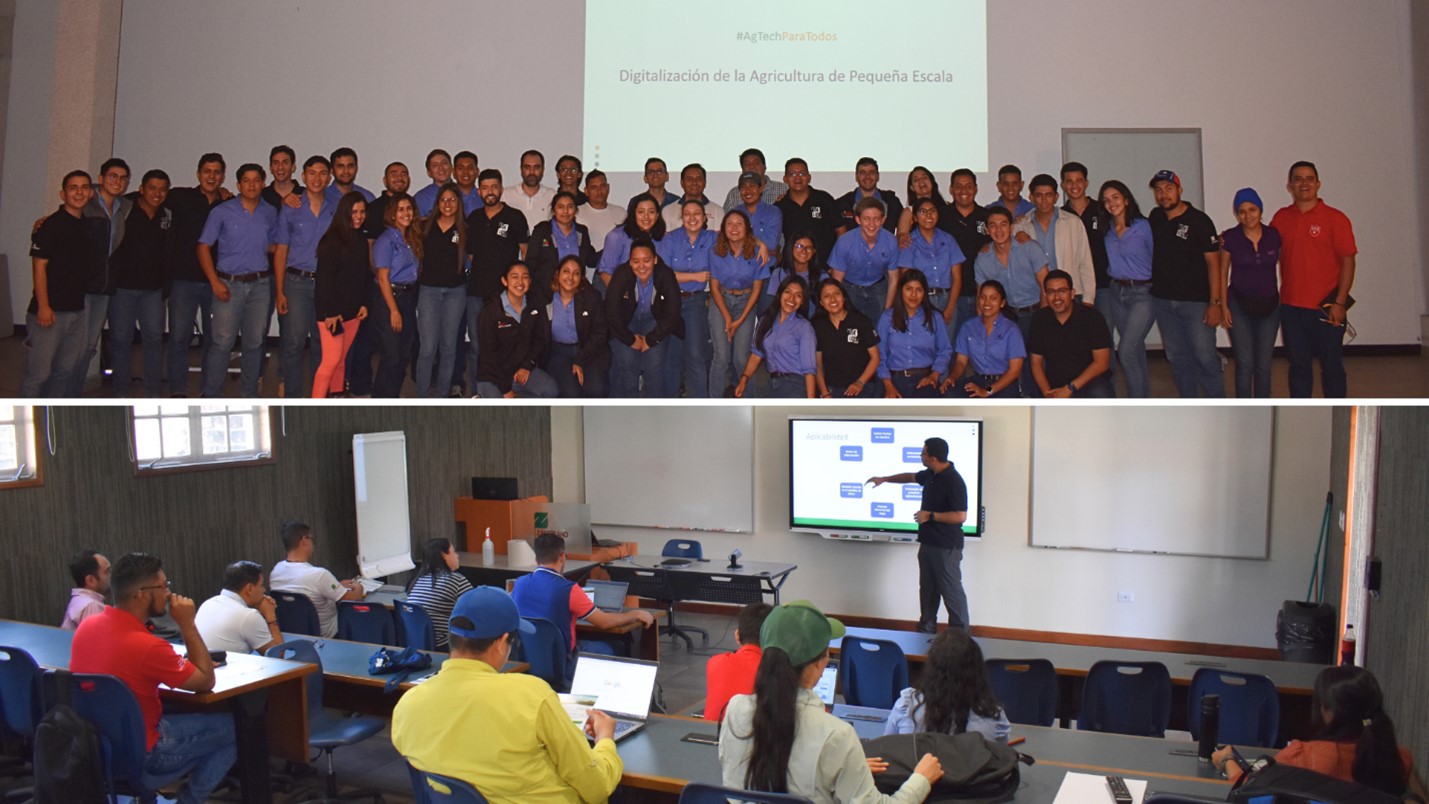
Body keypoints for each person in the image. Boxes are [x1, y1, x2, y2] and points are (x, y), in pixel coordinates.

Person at [391, 587, 624, 804]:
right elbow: (596, 786)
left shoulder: (407, 704)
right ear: (502, 643)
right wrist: (605, 739)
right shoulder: (532, 695)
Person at [719, 600, 942, 802]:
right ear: (820, 663)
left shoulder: (735, 709)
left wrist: (846, 765)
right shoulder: (836, 735)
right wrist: (920, 780)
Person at [70, 552, 235, 804]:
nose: (168, 593)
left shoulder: (86, 628)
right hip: (144, 749)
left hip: (98, 744)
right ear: (141, 594)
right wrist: (187, 624)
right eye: (163, 586)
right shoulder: (148, 647)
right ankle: (190, 799)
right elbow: (205, 681)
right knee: (238, 726)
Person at [1214, 666, 1425, 799]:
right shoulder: (1400, 760)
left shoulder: (1300, 757)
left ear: (1329, 712)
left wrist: (1227, 761)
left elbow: (1253, 793)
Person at [1271, 161, 1358, 398]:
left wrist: (1339, 303)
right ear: (1290, 186)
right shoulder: (1281, 218)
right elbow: (1264, 250)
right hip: (1291, 308)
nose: (1304, 183)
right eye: (1298, 178)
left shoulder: (1335, 219)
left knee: (1331, 369)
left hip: (1327, 308)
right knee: (1299, 368)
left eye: (1309, 178)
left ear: (1318, 184)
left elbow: (1348, 262)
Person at [867, 438, 970, 632]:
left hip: (946, 547)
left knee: (951, 591)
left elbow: (960, 516)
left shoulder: (954, 481)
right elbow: (910, 477)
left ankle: (961, 639)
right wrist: (885, 479)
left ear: (932, 457)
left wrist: (930, 515)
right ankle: (925, 633)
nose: (920, 456)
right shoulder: (932, 474)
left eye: (923, 453)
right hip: (928, 543)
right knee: (928, 591)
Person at [198, 163, 277, 398]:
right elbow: (203, 247)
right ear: (238, 184)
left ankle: (249, 395)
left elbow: (274, 246)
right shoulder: (221, 211)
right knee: (222, 343)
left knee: (254, 344)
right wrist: (214, 282)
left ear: (263, 184)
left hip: (260, 285)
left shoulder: (270, 212)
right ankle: (211, 395)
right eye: (246, 180)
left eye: (256, 180)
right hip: (228, 284)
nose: (251, 185)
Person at [510, 533, 655, 655]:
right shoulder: (569, 589)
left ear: (536, 559)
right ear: (562, 557)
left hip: (528, 657)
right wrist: (635, 614)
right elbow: (604, 622)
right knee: (617, 646)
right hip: (563, 659)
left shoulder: (520, 583)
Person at [1148, 170, 1225, 398]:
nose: (1164, 195)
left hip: (1196, 304)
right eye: (1159, 190)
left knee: (1205, 357)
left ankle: (1217, 405)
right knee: (1177, 359)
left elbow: (1214, 264)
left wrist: (1216, 303)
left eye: (1169, 189)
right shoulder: (1155, 218)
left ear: (1179, 190)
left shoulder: (1200, 221)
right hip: (1163, 302)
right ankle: (1189, 402)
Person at [20, 170, 96, 397]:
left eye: (84, 188)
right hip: (49, 312)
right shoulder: (50, 226)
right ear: (62, 193)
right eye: (73, 188)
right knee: (38, 375)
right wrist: (44, 306)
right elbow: (39, 267)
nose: (79, 192)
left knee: (65, 371)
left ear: (91, 193)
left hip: (77, 311)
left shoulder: (86, 225)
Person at [164, 154, 230, 396]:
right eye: (207, 171)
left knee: (215, 341)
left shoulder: (227, 205)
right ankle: (177, 391)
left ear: (223, 176)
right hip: (183, 280)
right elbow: (144, 199)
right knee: (179, 338)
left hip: (217, 281)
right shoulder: (180, 197)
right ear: (198, 174)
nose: (211, 176)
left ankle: (209, 391)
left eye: (216, 172)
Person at [68, 158, 132, 397]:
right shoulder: (86, 202)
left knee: (88, 345)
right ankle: (61, 394)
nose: (118, 181)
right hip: (80, 285)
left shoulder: (125, 206)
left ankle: (73, 394)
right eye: (113, 176)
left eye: (123, 178)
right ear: (102, 178)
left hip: (103, 288)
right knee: (73, 346)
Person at [272, 155, 335, 398]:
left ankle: (319, 396)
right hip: (296, 282)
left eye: (322, 173)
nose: (317, 178)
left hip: (325, 284)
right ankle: (293, 396)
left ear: (328, 177)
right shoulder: (291, 207)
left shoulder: (335, 208)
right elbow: (281, 252)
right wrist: (279, 291)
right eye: (312, 173)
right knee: (294, 343)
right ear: (303, 176)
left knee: (322, 343)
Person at [107, 169, 172, 398]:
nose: (157, 193)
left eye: (162, 189)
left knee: (154, 340)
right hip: (122, 289)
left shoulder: (167, 216)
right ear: (142, 189)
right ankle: (121, 391)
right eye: (152, 188)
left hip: (153, 291)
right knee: (121, 340)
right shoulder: (123, 210)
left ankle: (153, 391)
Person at [467, 169, 532, 396]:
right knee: (477, 347)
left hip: (506, 296)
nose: (490, 192)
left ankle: (508, 388)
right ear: (479, 191)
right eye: (485, 188)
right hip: (477, 293)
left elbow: (526, 253)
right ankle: (479, 392)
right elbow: (472, 255)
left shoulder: (515, 217)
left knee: (508, 346)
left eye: (494, 187)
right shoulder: (474, 218)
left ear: (501, 188)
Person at [883, 629, 1010, 743]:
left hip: (916, 769)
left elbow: (887, 747)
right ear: (977, 670)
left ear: (930, 668)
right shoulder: (991, 716)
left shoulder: (907, 706)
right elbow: (1001, 759)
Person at [1219, 188, 1282, 398]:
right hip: (1239, 306)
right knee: (1245, 363)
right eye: (1242, 211)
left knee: (1263, 366)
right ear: (1237, 214)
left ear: (1260, 210)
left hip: (1270, 307)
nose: (1248, 216)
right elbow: (1222, 272)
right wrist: (1223, 305)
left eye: (1252, 209)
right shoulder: (1229, 238)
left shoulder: (1274, 236)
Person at [605, 238, 683, 398]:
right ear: (630, 262)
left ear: (654, 260)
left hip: (655, 322)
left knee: (654, 365)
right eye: (636, 261)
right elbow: (611, 313)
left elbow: (672, 313)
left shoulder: (666, 274)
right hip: (626, 323)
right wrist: (629, 339)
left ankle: (654, 409)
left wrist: (651, 340)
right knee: (627, 364)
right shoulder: (621, 274)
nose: (641, 266)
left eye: (646, 260)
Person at [1100, 179, 1156, 398]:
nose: (1111, 203)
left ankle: (1135, 402)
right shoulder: (1108, 230)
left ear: (1126, 198)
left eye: (1115, 197)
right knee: (1136, 351)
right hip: (1116, 292)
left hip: (1142, 294)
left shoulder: (1143, 226)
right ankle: (1143, 399)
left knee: (1126, 351)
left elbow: (1157, 257)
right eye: (1106, 200)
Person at [657, 198, 718, 397]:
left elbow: (740, 239)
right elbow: (663, 274)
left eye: (697, 214)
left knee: (695, 354)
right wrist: (695, 276)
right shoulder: (670, 239)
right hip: (671, 302)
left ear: (704, 217)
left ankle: (699, 400)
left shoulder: (713, 239)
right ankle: (670, 400)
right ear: (681, 218)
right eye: (687, 214)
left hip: (697, 301)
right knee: (672, 354)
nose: (692, 218)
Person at [311, 192, 371, 398]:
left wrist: (364, 303)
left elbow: (363, 275)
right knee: (330, 362)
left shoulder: (360, 239)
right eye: (354, 212)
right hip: (332, 314)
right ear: (344, 213)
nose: (359, 216)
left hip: (353, 312)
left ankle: (336, 395)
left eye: (362, 212)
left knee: (341, 359)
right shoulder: (331, 241)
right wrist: (331, 312)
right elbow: (324, 282)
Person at [414, 184, 468, 398]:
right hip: (429, 292)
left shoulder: (465, 229)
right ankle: (421, 396)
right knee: (427, 348)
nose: (448, 204)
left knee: (448, 349)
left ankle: (442, 396)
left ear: (459, 204)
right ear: (437, 203)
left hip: (456, 293)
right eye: (444, 200)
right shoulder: (424, 226)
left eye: (452, 200)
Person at [708, 209, 770, 397]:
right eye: (729, 224)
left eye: (739, 224)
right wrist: (728, 318)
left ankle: (747, 401)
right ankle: (714, 402)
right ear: (723, 228)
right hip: (721, 301)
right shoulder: (715, 250)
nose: (734, 228)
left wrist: (740, 319)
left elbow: (757, 289)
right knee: (722, 357)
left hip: (746, 302)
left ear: (747, 228)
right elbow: (714, 287)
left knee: (741, 358)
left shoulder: (759, 252)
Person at [474, 261, 558, 399]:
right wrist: (505, 389)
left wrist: (527, 366)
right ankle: (483, 396)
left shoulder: (534, 306)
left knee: (551, 390)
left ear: (530, 281)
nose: (520, 281)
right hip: (493, 375)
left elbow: (540, 340)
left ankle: (518, 395)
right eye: (514, 276)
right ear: (504, 281)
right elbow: (488, 357)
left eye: (525, 277)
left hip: (520, 370)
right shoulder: (490, 311)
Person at [268, 520, 363, 639]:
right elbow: (352, 599)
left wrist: (337, 585)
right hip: (326, 637)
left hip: (290, 636)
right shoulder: (320, 575)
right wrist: (359, 586)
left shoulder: (276, 571)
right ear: (304, 541)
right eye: (311, 539)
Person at [1027, 270, 1114, 398]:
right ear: (1045, 295)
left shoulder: (1092, 317)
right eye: (1051, 292)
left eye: (1062, 291)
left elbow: (1102, 363)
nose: (1057, 298)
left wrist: (1070, 388)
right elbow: (1036, 363)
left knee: (1100, 392)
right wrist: (1048, 394)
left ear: (1072, 293)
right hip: (1055, 385)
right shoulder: (1039, 319)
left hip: (1088, 383)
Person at [1014, 174, 1096, 305]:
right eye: (1039, 195)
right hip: (1036, 298)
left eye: (1049, 195)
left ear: (1056, 197)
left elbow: (1085, 262)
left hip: (1070, 295)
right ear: (1031, 197)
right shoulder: (1020, 226)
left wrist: (1088, 299)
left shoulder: (1073, 222)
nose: (1044, 200)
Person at [973, 206, 1049, 347]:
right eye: (993, 226)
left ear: (1011, 227)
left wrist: (1043, 318)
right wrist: (982, 327)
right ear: (987, 230)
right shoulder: (983, 259)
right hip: (1006, 317)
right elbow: (981, 297)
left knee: (1037, 360)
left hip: (1036, 312)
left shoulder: (1030, 248)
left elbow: (1045, 285)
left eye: (1003, 224)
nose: (999, 230)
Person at [370, 193, 421, 398]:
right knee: (392, 355)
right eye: (400, 209)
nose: (406, 213)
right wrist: (393, 310)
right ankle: (382, 398)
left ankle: (392, 396)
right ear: (392, 214)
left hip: (408, 298)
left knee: (403, 354)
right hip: (390, 298)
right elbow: (382, 278)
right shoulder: (386, 240)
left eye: (409, 208)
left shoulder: (411, 237)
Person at [735, 275, 817, 398]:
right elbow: (756, 354)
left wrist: (810, 406)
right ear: (780, 294)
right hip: (770, 385)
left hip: (795, 386)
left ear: (803, 302)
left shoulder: (804, 327)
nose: (792, 298)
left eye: (798, 295)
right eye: (787, 292)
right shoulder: (765, 320)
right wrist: (744, 379)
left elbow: (809, 370)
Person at [875, 270, 951, 399]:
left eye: (919, 290)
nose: (913, 295)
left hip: (925, 379)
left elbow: (945, 350)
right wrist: (888, 386)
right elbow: (879, 355)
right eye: (909, 289)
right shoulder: (887, 318)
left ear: (924, 293)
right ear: (901, 291)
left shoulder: (934, 317)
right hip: (893, 380)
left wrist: (934, 376)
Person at [899, 198, 966, 340]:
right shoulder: (908, 242)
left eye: (933, 211)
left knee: (946, 346)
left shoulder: (948, 240)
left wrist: (950, 307)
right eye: (923, 212)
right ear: (915, 217)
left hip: (947, 299)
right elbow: (906, 279)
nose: (929, 216)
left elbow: (957, 277)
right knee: (923, 345)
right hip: (921, 300)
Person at [945, 280, 1025, 399]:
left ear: (1002, 303)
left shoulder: (1011, 330)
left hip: (1003, 384)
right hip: (978, 380)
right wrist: (952, 377)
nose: (987, 302)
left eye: (993, 298)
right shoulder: (968, 327)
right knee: (948, 394)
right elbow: (961, 362)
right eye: (983, 297)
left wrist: (987, 391)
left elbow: (1015, 370)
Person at [545, 255, 611, 398]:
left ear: (581, 278)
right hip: (558, 353)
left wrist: (579, 359)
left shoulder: (592, 297)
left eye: (576, 273)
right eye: (566, 271)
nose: (570, 277)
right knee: (572, 393)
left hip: (588, 351)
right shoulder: (545, 298)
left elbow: (600, 333)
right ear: (557, 274)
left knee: (596, 390)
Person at [828, 197, 900, 325]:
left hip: (878, 287)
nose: (872, 224)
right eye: (866, 219)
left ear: (883, 220)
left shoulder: (891, 241)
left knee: (880, 328)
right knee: (851, 328)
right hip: (849, 287)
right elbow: (836, 281)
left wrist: (887, 311)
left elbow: (894, 279)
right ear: (858, 220)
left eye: (876, 219)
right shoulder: (844, 242)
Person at [942, 169, 993, 339]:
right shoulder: (941, 217)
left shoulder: (987, 217)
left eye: (969, 186)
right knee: (951, 348)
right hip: (950, 297)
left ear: (976, 189)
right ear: (951, 189)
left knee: (980, 345)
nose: (964, 191)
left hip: (982, 295)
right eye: (958, 186)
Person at [194, 560, 282, 655]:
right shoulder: (249, 616)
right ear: (249, 589)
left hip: (204, 667)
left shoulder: (208, 603)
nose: (264, 590)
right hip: (229, 668)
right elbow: (278, 655)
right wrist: (271, 616)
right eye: (261, 585)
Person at [705, 602, 773, 723]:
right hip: (750, 738)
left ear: (737, 635)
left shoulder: (715, 662)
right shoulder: (773, 671)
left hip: (710, 735)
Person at [813, 278, 881, 398]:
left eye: (836, 294)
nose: (833, 299)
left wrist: (860, 382)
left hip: (863, 388)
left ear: (844, 297)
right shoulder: (818, 326)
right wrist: (825, 393)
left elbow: (875, 357)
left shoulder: (860, 320)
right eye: (827, 296)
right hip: (833, 390)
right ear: (821, 302)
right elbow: (817, 365)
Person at [527, 190, 597, 305]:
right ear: (553, 210)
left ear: (576, 210)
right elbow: (531, 263)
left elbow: (590, 259)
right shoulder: (542, 230)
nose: (565, 211)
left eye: (570, 207)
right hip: (545, 295)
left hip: (575, 293)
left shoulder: (582, 231)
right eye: (560, 207)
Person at [403, 538, 473, 651]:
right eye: (454, 551)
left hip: (415, 643)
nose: (457, 556)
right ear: (444, 555)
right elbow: (477, 609)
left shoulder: (417, 579)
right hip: (443, 645)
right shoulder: (456, 580)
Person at [597, 194, 665, 290]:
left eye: (651, 212)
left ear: (657, 215)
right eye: (641, 212)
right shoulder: (616, 236)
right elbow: (606, 273)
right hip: (612, 288)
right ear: (633, 214)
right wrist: (621, 297)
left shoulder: (662, 237)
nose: (646, 217)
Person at [776, 158, 840, 261]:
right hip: (793, 268)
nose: (797, 178)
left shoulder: (824, 199)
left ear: (809, 177)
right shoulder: (780, 206)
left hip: (825, 266)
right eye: (792, 174)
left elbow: (841, 231)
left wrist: (837, 262)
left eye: (802, 174)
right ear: (785, 179)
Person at [835, 156, 903, 236]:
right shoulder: (842, 204)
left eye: (871, 172)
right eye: (862, 173)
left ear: (878, 176)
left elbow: (906, 228)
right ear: (856, 177)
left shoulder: (892, 202)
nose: (867, 177)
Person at [579, 170, 626, 266]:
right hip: (585, 272)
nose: (599, 191)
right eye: (594, 187)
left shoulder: (621, 213)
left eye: (602, 186)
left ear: (608, 188)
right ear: (586, 191)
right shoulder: (577, 213)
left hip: (615, 271)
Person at [735, 171, 784, 262]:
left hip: (765, 267)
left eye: (752, 186)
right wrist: (760, 244)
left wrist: (742, 239)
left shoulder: (773, 212)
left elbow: (771, 245)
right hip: (739, 266)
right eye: (743, 187)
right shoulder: (734, 213)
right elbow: (731, 242)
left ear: (761, 188)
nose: (747, 190)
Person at [502, 149, 556, 231]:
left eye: (536, 167)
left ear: (543, 170)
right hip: (512, 243)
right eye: (527, 167)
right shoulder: (506, 194)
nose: (532, 172)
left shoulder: (552, 195)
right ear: (521, 169)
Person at [661, 162, 724, 233]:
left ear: (705, 183)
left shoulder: (718, 210)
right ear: (682, 183)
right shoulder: (668, 210)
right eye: (689, 179)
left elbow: (718, 241)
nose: (694, 182)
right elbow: (667, 240)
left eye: (699, 179)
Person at [721, 147, 788, 212]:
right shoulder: (734, 194)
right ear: (742, 170)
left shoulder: (783, 190)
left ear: (764, 167)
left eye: (756, 163)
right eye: (747, 164)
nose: (752, 166)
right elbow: (725, 220)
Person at [61, 549, 110, 629]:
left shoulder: (80, 600)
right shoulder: (91, 606)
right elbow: (95, 640)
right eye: (107, 572)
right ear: (91, 580)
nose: (112, 575)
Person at [413, 148, 453, 217]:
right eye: (435, 165)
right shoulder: (421, 198)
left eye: (444, 163)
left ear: (451, 167)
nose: (441, 167)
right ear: (429, 173)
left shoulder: (462, 192)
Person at [450, 150, 483, 217]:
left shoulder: (484, 197)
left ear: (477, 172)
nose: (465, 172)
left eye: (470, 168)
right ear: (454, 173)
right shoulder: (447, 198)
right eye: (461, 168)